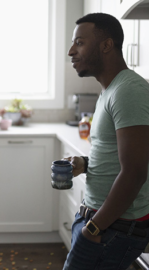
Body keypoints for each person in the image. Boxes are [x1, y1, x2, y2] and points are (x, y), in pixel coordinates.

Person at [63, 13, 149, 269]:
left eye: (79, 42)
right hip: (104, 225)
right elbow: (121, 156)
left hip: (112, 228)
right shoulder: (110, 90)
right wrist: (86, 163)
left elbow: (134, 172)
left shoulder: (128, 91)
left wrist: (94, 227)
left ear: (106, 45)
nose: (71, 51)